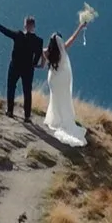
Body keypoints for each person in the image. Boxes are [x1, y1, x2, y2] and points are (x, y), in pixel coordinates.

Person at [0, 8, 45, 121]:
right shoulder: (39, 41)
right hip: (28, 69)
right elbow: (37, 55)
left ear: (25, 25)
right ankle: (27, 116)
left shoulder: (18, 35)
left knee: (11, 87)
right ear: (34, 26)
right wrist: (33, 65)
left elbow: (4, 30)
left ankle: (10, 111)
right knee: (27, 91)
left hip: (15, 66)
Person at [42, 17, 91, 145]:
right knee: (64, 98)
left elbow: (38, 55)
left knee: (55, 98)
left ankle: (55, 119)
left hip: (53, 79)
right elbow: (73, 38)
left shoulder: (46, 52)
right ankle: (63, 119)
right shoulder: (62, 49)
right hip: (63, 79)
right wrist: (80, 27)